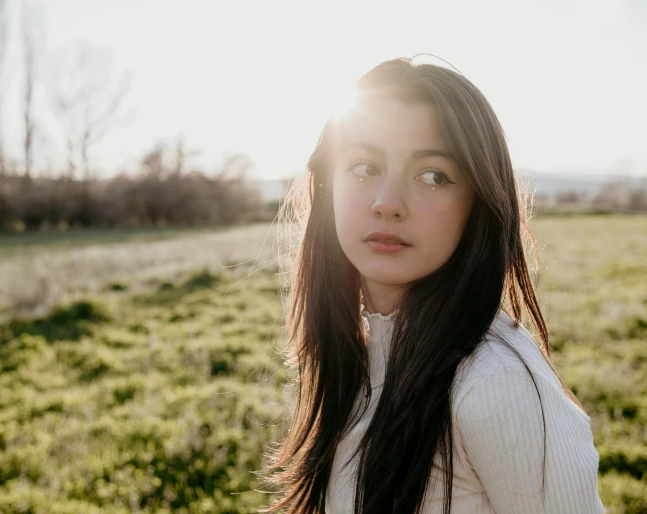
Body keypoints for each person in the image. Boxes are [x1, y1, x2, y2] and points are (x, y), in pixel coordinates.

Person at [258, 57, 604, 514]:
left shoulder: (494, 383)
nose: (388, 203)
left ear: (478, 203)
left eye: (433, 176)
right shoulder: (357, 351)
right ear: (328, 186)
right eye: (364, 167)